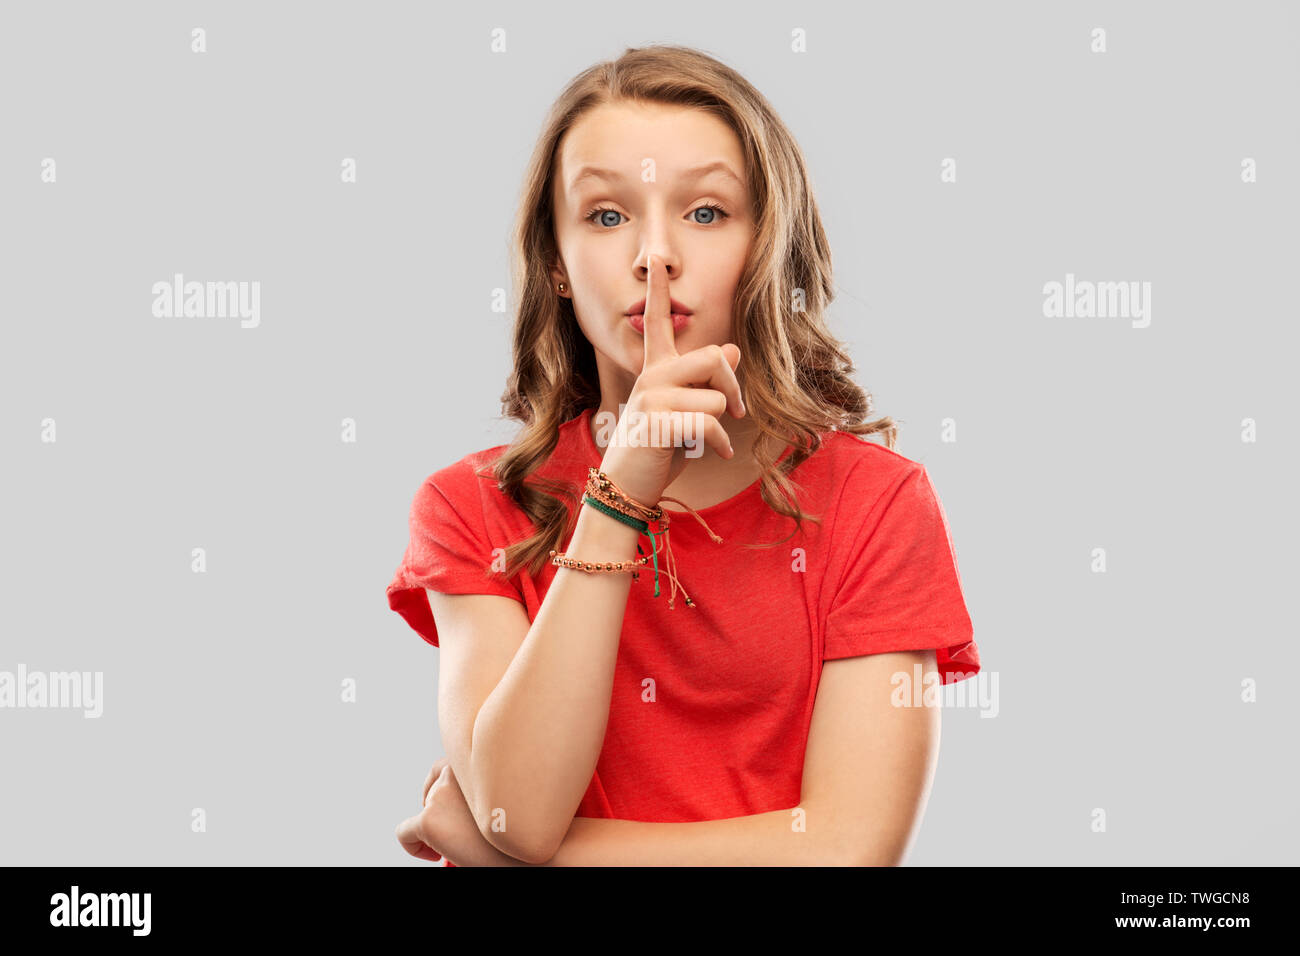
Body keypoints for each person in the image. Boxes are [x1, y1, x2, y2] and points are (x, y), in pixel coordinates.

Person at [389, 44, 980, 867]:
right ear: (556, 265)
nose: (654, 254)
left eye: (706, 213)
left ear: (765, 247)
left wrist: (525, 863)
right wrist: (617, 497)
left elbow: (849, 851)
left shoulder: (874, 502)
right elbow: (516, 812)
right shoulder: (470, 504)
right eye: (606, 215)